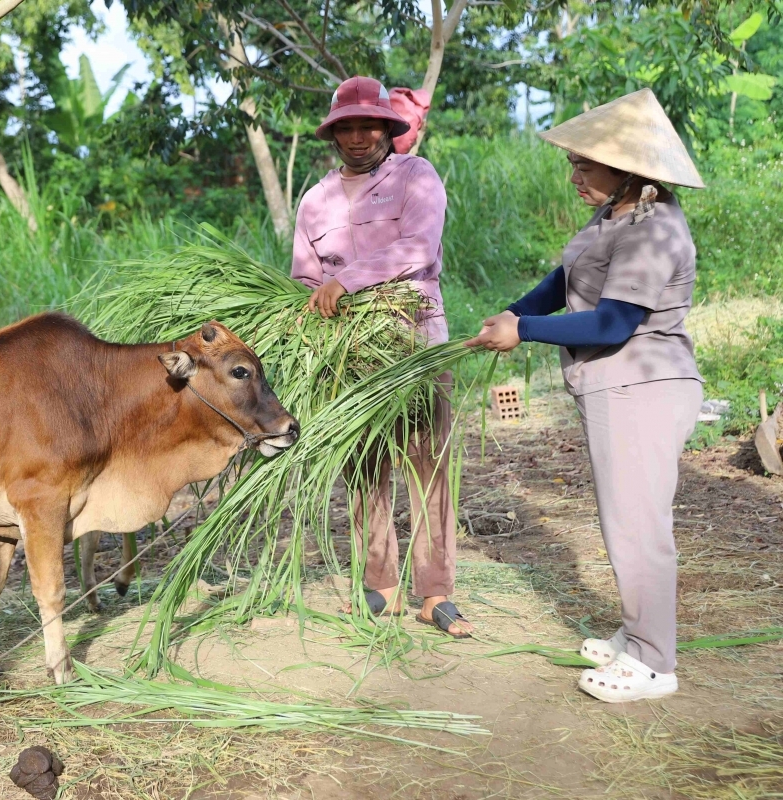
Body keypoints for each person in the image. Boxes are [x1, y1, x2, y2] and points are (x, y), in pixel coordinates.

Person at [466, 88, 705, 702]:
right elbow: (563, 281)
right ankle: (637, 633)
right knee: (622, 518)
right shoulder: (614, 215)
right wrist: (510, 313)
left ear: (627, 169)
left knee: (637, 527)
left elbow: (613, 322)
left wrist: (526, 331)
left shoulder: (655, 229)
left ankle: (654, 664)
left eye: (584, 163)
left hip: (645, 387)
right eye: (572, 162)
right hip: (615, 388)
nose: (574, 174)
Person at [292, 75, 472, 638]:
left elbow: (420, 247)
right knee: (366, 466)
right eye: (346, 127)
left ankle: (435, 591)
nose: (358, 136)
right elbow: (303, 278)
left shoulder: (415, 177)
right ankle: (382, 585)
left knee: (427, 464)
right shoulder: (314, 201)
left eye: (369, 125)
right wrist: (312, 312)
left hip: (413, 340)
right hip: (349, 355)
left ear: (388, 127)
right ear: (333, 133)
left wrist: (346, 283)